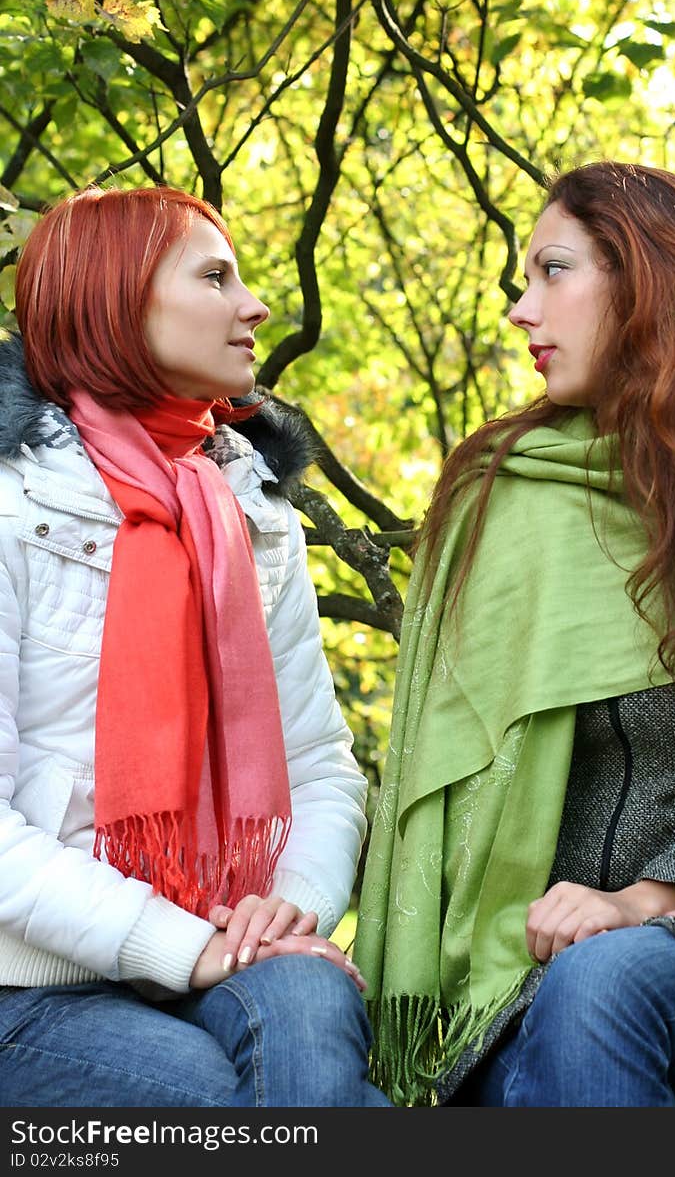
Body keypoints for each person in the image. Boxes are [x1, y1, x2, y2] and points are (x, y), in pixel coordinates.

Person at [353, 160, 675, 1108]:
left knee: (602, 986)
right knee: (538, 1050)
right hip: (510, 966)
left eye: (553, 271)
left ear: (647, 285)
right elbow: (436, 779)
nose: (522, 309)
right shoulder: (499, 500)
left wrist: (649, 900)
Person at [0, 184, 391, 1107]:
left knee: (305, 1004)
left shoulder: (252, 513)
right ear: (114, 302)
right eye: (215, 277)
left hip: (227, 938)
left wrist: (288, 906)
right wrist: (182, 946)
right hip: (29, 983)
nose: (254, 307)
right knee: (217, 1102)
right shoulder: (11, 511)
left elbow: (321, 768)